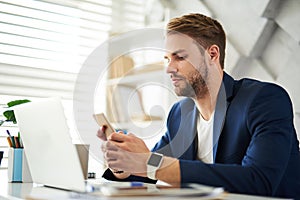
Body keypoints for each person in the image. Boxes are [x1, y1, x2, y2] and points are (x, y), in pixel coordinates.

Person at [98, 13, 300, 199]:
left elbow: (259, 181)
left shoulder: (264, 100)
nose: (169, 68)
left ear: (212, 54)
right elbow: (150, 170)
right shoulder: (179, 113)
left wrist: (148, 162)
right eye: (167, 59)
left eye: (180, 57)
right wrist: (123, 164)